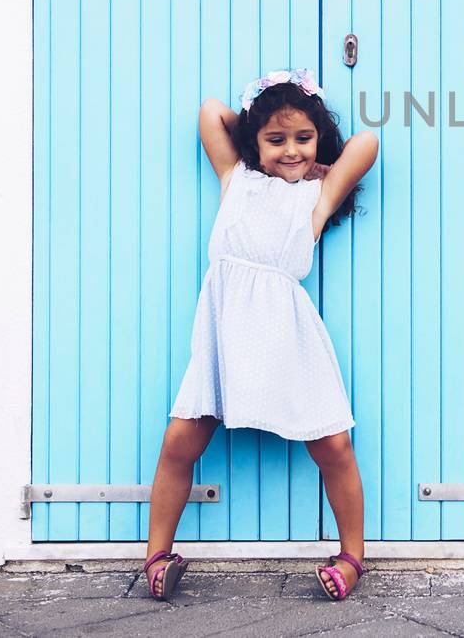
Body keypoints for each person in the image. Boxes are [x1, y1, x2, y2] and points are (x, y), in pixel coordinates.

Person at [140, 68, 379, 601]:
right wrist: (250, 129)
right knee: (180, 440)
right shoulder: (236, 179)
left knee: (333, 443)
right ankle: (157, 556)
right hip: (224, 331)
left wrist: (320, 160)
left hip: (284, 331)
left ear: (318, 141)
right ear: (253, 141)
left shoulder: (317, 195)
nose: (290, 150)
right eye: (276, 140)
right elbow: (210, 112)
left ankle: (352, 555)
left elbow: (367, 143)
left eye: (302, 138)